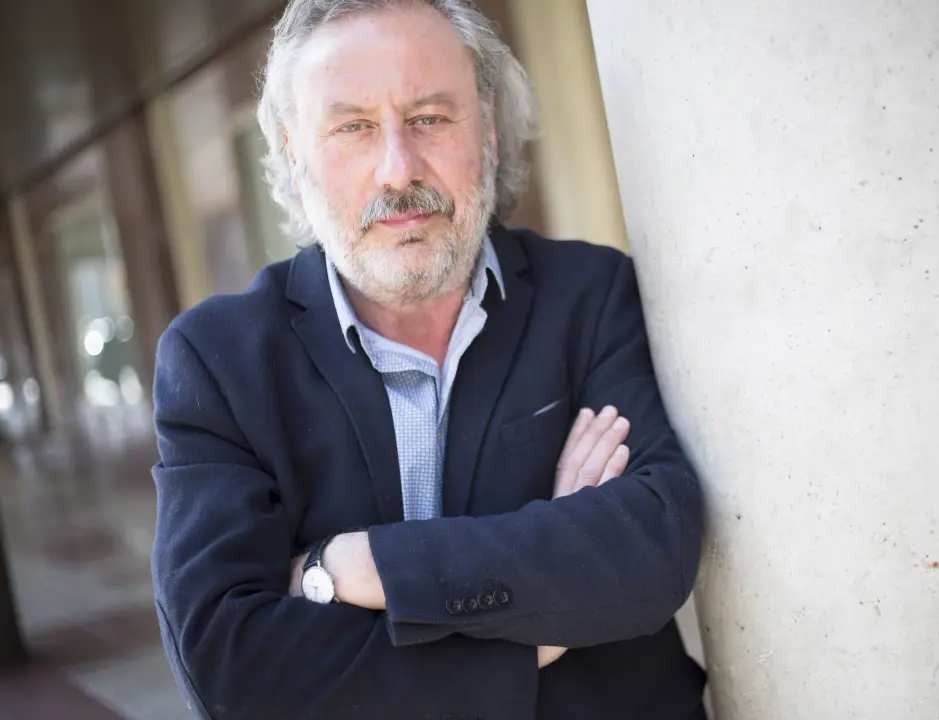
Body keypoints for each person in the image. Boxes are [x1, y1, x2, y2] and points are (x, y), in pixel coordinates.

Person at [148, 1, 706, 718]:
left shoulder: (591, 294)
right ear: (294, 153)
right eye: (352, 126)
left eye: (431, 117)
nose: (397, 169)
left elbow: (653, 549)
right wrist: (544, 617)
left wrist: (351, 565)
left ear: (490, 131)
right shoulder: (217, 360)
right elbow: (230, 667)